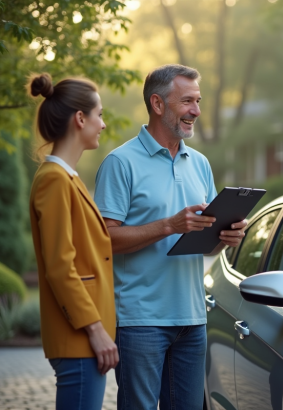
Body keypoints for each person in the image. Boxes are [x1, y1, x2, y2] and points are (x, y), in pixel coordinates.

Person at [93, 64, 247, 410]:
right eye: (187, 101)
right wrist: (168, 225)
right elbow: (103, 239)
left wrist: (226, 235)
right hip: (140, 320)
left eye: (198, 101)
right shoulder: (121, 163)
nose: (196, 111)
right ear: (158, 104)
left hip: (192, 317)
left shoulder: (200, 163)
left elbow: (202, 238)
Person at [28, 73, 119, 410]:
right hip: (79, 336)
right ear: (80, 119)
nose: (103, 124)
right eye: (100, 114)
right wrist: (95, 330)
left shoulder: (65, 177)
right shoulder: (54, 180)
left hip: (83, 336)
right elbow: (59, 266)